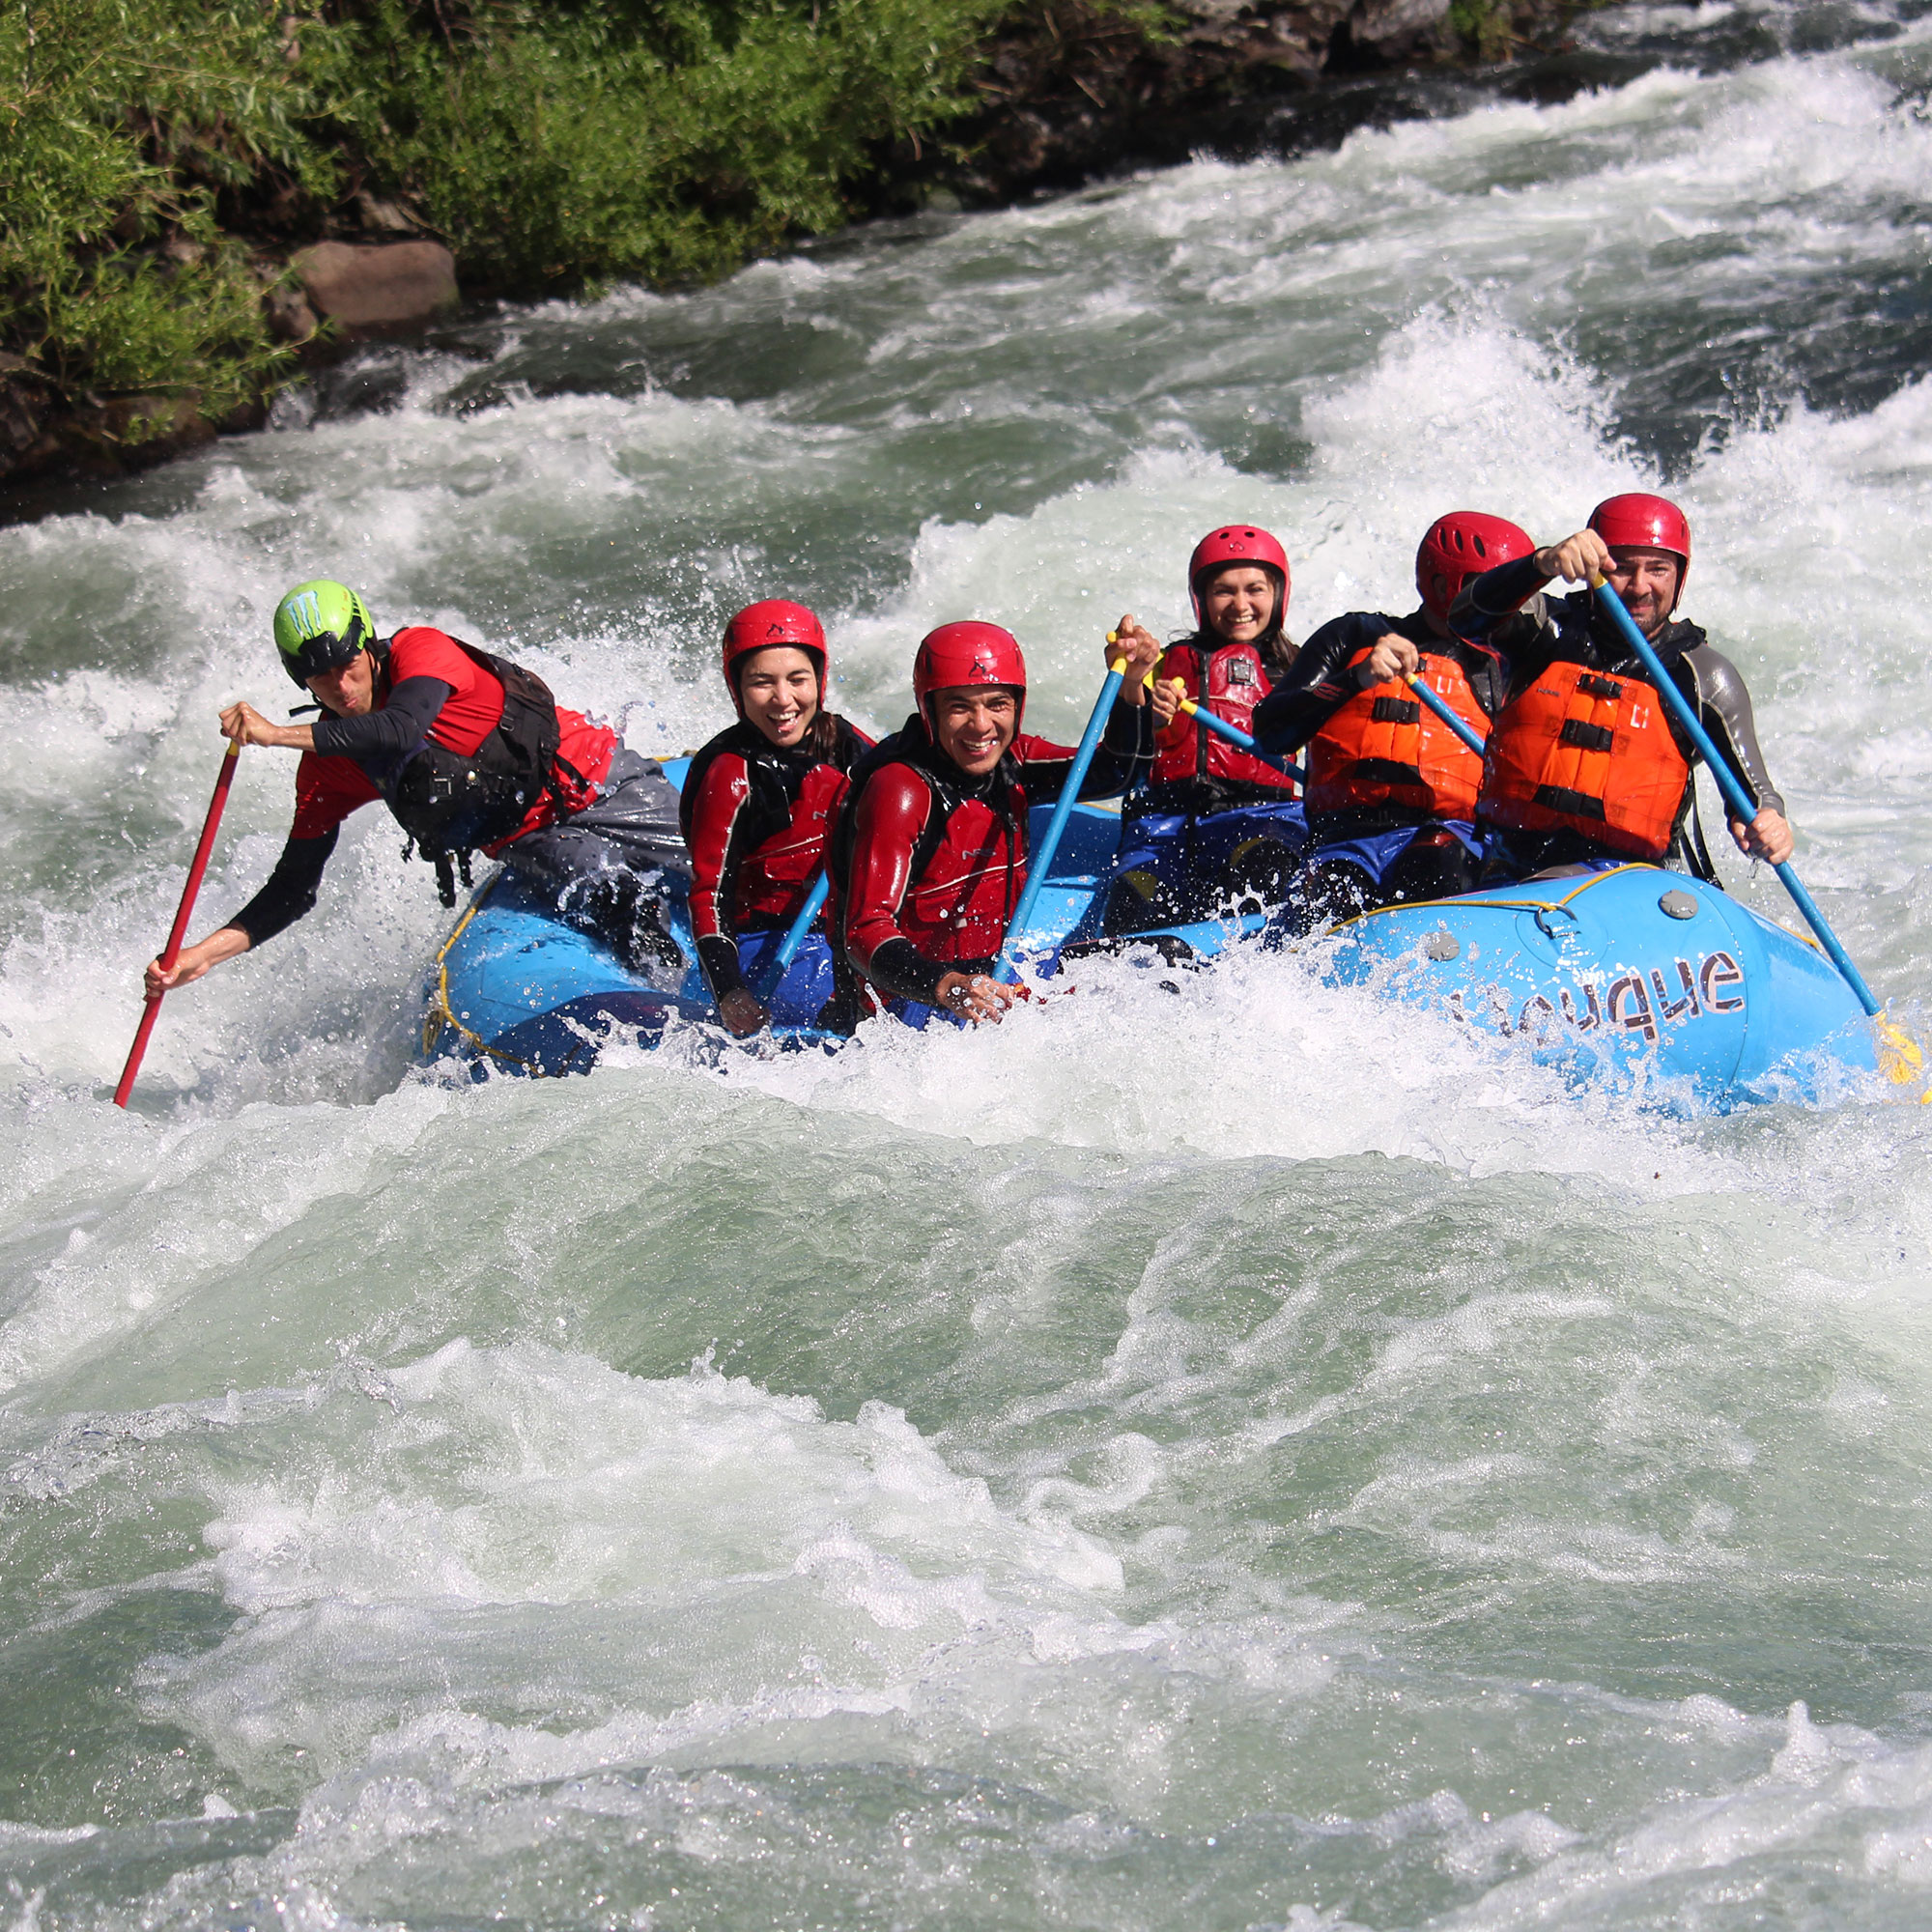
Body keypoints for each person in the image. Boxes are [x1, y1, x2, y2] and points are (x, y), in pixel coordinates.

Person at [144, 580, 689, 999]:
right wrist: (204, 955)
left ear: (369, 644)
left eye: (347, 663)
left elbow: (401, 728)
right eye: (319, 677)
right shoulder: (327, 769)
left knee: (724, 859)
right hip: (535, 840)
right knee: (623, 908)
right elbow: (293, 889)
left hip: (600, 782)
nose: (340, 685)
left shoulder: (421, 652)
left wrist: (276, 734)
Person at [833, 617, 1164, 1026]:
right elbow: (865, 931)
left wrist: (1132, 686)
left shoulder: (1013, 760)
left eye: (997, 704)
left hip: (996, 975)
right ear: (928, 710)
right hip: (918, 1001)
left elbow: (1117, 773)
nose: (981, 725)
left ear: (1017, 706)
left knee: (1162, 962)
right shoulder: (901, 790)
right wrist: (947, 985)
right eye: (959, 706)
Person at [1453, 494, 1794, 881]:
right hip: (1508, 864)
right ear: (1594, 566)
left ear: (1680, 577)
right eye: (1622, 567)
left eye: (1658, 570)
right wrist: (1540, 564)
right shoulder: (1543, 630)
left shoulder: (1701, 676)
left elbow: (1755, 796)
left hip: (1631, 882)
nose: (1639, 586)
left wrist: (1771, 822)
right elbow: (1465, 618)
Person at [1255, 511, 1533, 924]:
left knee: (1435, 862)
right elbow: (1272, 732)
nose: (1509, 603)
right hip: (1344, 841)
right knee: (1332, 893)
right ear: (1442, 585)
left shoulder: (1517, 660)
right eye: (1494, 588)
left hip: (1454, 838)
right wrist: (1356, 678)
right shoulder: (1353, 636)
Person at [679, 599, 873, 1037]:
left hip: (840, 933)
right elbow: (709, 896)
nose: (783, 700)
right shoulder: (731, 772)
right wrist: (730, 991)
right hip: (765, 948)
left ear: (818, 681)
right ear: (737, 689)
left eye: (797, 680)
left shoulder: (842, 740)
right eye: (762, 683)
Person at [1103, 525, 1305, 934]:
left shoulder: (1301, 670)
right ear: (1202, 600)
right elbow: (1127, 752)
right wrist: (1143, 701)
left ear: (1278, 595)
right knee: (1133, 903)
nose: (1240, 604)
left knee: (1267, 872)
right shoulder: (1164, 663)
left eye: (1255, 589)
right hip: (1166, 823)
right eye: (1224, 591)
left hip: (1264, 817)